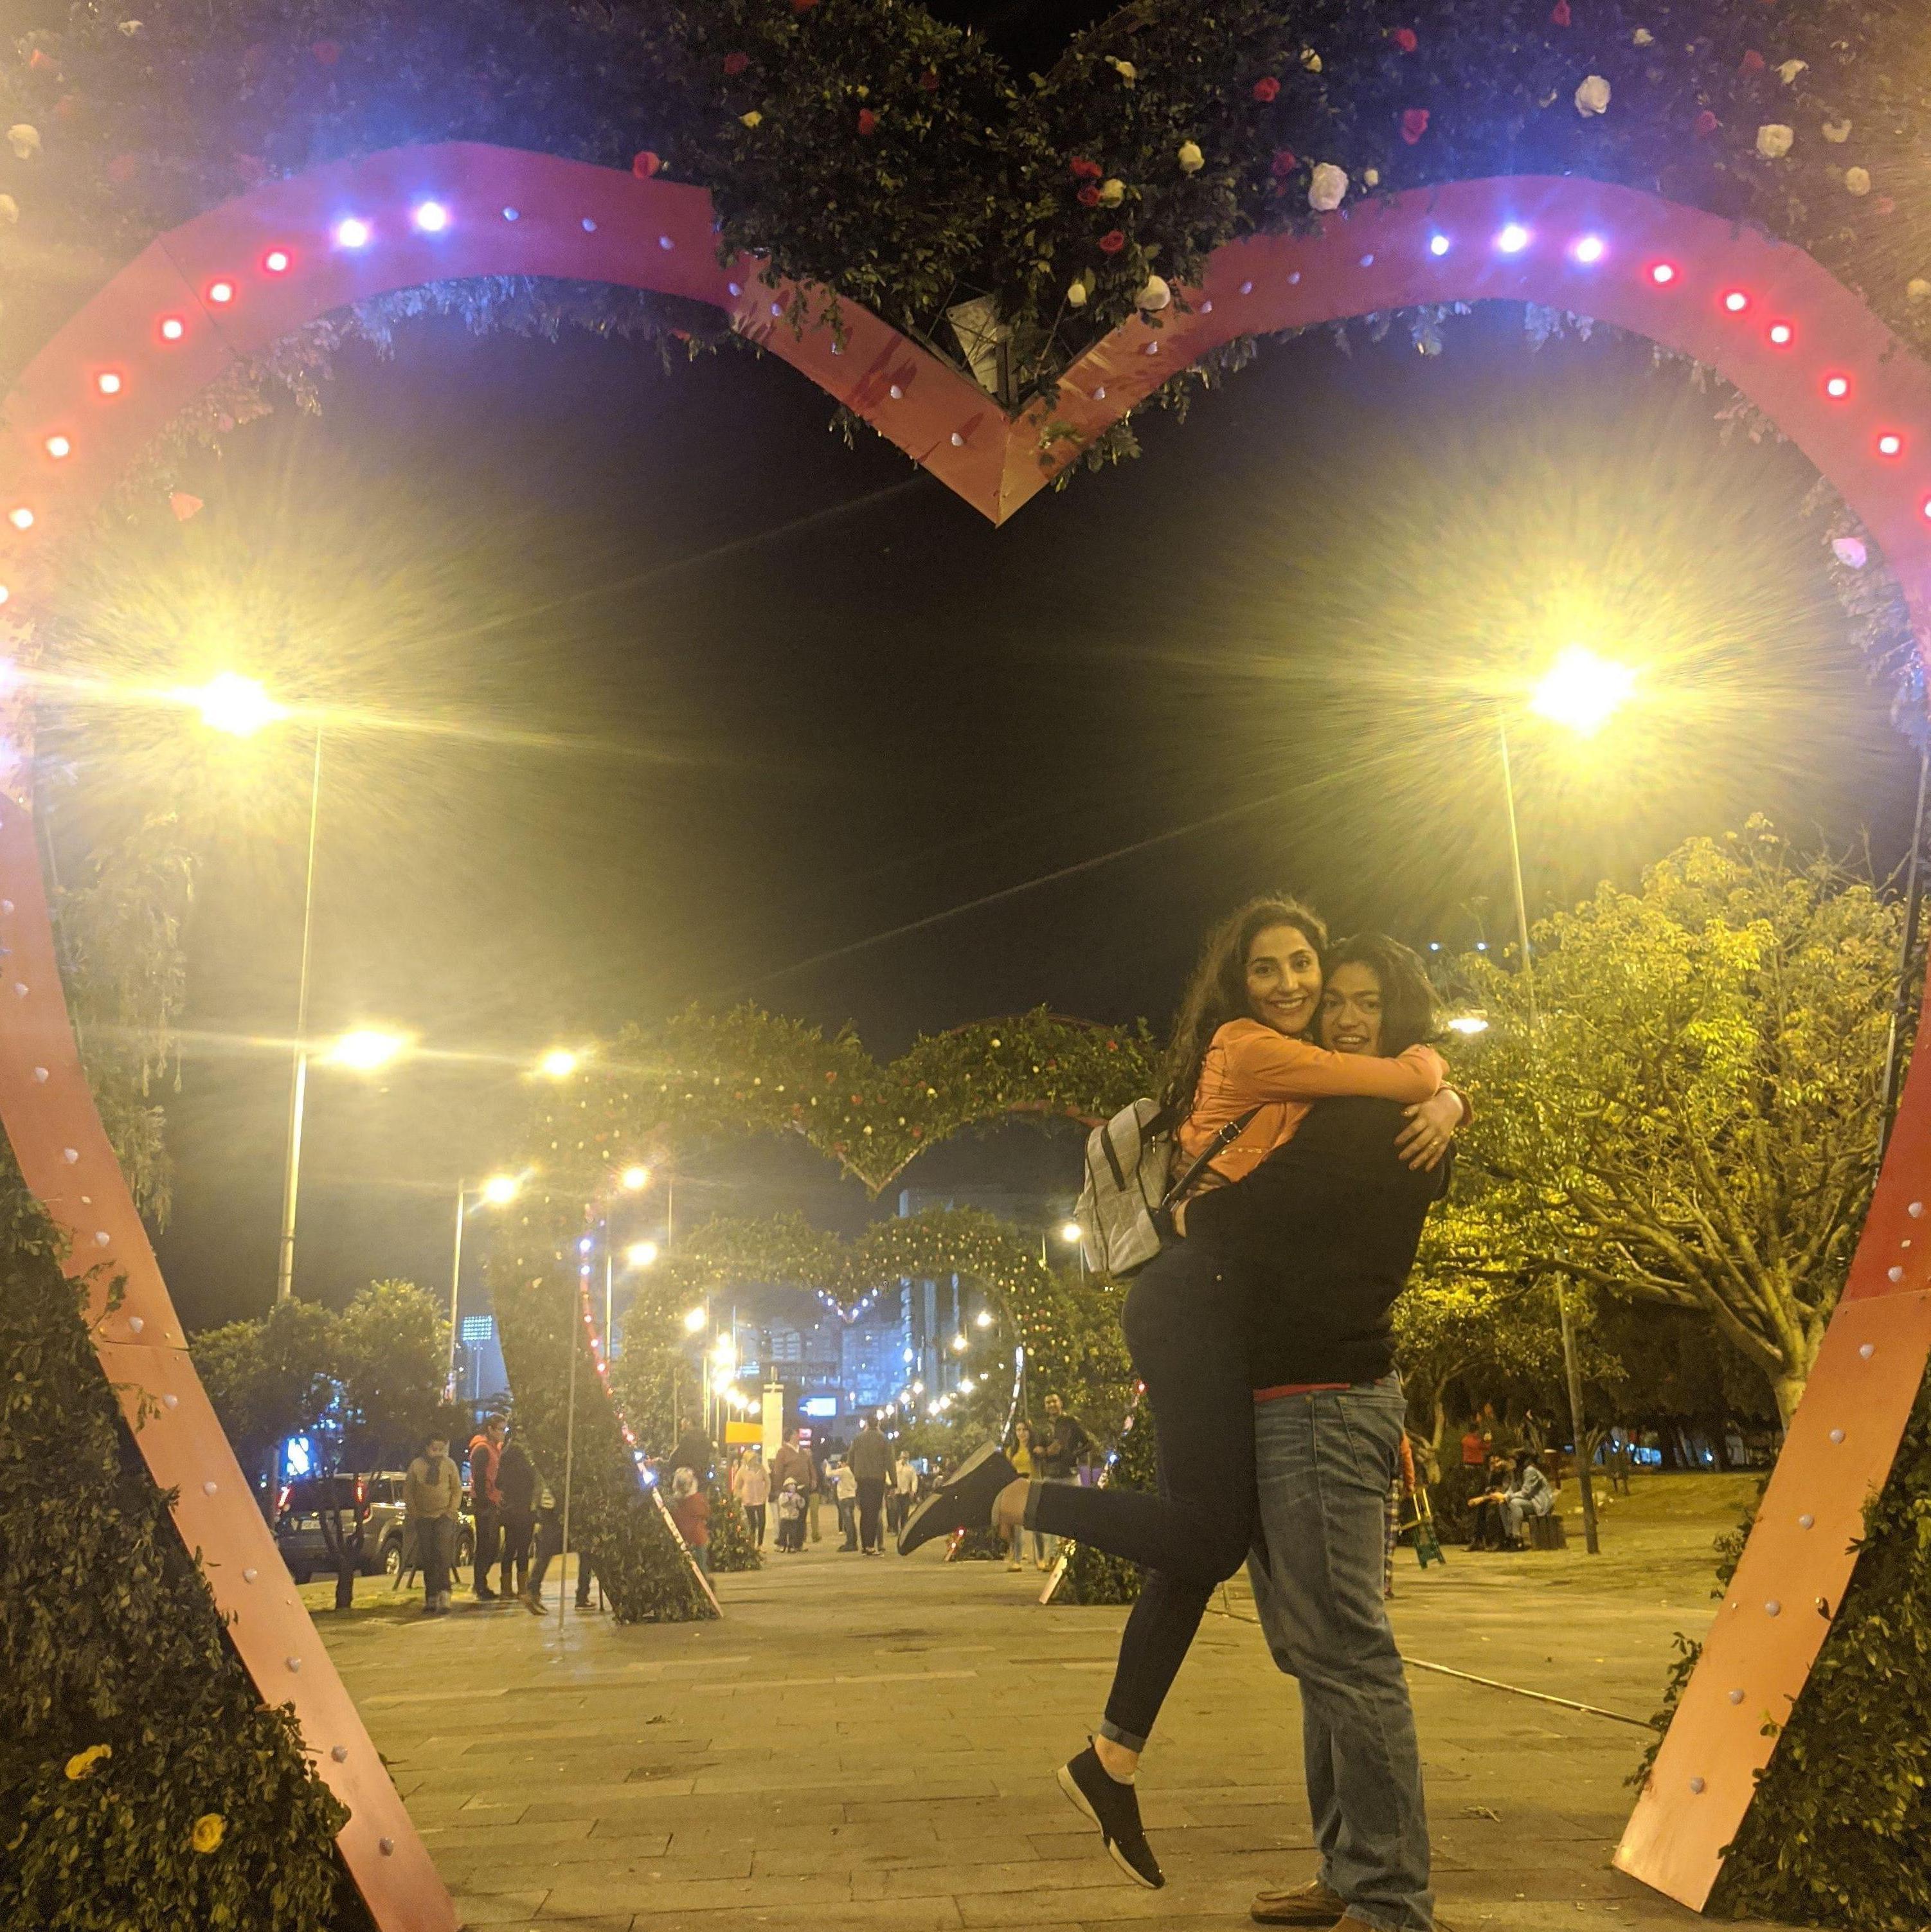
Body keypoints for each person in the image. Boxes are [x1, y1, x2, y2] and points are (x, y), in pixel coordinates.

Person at [902, 908, 1464, 1906]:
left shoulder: (1366, 1117)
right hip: (1226, 1333)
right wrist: (1435, 1075)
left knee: (1291, 1616)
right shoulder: (1279, 1065)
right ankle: (1350, 1874)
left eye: (1351, 995)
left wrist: (1444, 1089)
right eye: (1301, 982)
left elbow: (1260, 1203)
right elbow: (1244, 1206)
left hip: (1317, 1386)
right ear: (1242, 984)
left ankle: (1360, 1887)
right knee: (1290, 1618)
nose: (1322, 1004)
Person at [405, 1432, 462, 1616]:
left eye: (442, 1449)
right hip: (424, 1517)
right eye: (434, 1449)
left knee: (443, 1555)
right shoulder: (417, 1466)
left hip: (444, 1516)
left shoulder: (449, 1465)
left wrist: (451, 1512)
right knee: (427, 1557)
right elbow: (409, 1491)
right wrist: (415, 1513)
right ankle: (431, 1596)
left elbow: (456, 1490)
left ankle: (445, 1594)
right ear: (427, 1448)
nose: (438, 1453)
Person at [495, 1424, 537, 1600]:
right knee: (523, 1548)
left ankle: (506, 1589)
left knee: (510, 1548)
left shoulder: (504, 1456)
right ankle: (523, 1589)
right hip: (525, 1509)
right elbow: (532, 1481)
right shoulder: (527, 1459)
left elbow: (498, 1483)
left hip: (509, 1510)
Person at [466, 1415, 506, 1602]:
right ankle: (479, 1585)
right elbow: (480, 1478)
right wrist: (484, 1502)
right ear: (490, 1429)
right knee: (486, 1545)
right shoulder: (482, 1450)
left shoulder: (494, 1449)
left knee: (493, 1546)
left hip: (493, 1502)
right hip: (485, 1503)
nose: (503, 1433)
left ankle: (480, 1583)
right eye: (500, 1429)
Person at [848, 1416, 894, 1556]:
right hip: (877, 1479)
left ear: (867, 1424)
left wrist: (857, 1473)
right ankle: (870, 1545)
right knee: (874, 1513)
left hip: (862, 1480)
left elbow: (850, 1460)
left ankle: (865, 1546)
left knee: (865, 1512)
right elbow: (890, 1462)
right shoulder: (884, 1439)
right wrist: (894, 1482)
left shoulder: (858, 1439)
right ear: (878, 1424)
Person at [1004, 1420, 1045, 1571]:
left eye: (1025, 1430)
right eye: (1019, 1430)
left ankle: (1040, 1559)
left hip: (1034, 1487)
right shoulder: (1011, 1451)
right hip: (1018, 1488)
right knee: (1017, 1526)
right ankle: (1017, 1560)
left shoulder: (1036, 1450)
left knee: (1036, 1525)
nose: (1021, 1433)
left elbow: (1041, 1469)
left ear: (1030, 1432)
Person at [669, 1468, 712, 1574]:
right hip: (698, 1538)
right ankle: (703, 1587)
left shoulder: (674, 1502)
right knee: (701, 1567)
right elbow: (706, 1513)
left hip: (681, 1538)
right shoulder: (698, 1499)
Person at [1468, 1452, 1514, 1550]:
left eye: (1498, 1461)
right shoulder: (1492, 1474)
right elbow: (1489, 1490)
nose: (1496, 1465)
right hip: (1496, 1497)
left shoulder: (1508, 1472)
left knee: (1494, 1507)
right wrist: (1482, 1499)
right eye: (1492, 1463)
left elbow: (1503, 1492)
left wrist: (1482, 1499)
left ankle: (1498, 1541)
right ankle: (1478, 1540)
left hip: (1509, 1498)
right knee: (1481, 1507)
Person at [733, 1449, 770, 1548]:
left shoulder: (761, 1468)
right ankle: (752, 1543)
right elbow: (737, 1485)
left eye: (755, 1458)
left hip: (760, 1499)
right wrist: (740, 1495)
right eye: (752, 1459)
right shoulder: (742, 1471)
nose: (754, 1460)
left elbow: (767, 1481)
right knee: (752, 1523)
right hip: (748, 1500)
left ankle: (760, 1544)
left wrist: (766, 1493)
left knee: (762, 1521)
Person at [892, 1451, 920, 1537]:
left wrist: (913, 1491)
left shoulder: (911, 1468)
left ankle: (904, 1529)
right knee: (896, 1511)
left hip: (906, 1492)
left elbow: (914, 1479)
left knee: (905, 1512)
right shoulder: (895, 1466)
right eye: (903, 1457)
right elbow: (891, 1476)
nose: (904, 1459)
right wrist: (891, 1488)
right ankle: (895, 1529)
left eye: (906, 1458)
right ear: (900, 1457)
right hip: (897, 1492)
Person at [833, 1458, 859, 1549]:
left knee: (848, 1522)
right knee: (851, 1520)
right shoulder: (854, 1470)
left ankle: (850, 1543)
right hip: (852, 1497)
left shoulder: (844, 1470)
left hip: (845, 1498)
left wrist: (826, 1464)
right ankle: (853, 1542)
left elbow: (829, 1474)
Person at [775, 1477, 805, 1551]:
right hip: (784, 1517)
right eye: (791, 1485)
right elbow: (782, 1504)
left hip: (793, 1517)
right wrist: (789, 1501)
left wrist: (801, 1501)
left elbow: (801, 1506)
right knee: (783, 1532)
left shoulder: (797, 1496)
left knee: (793, 1533)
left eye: (794, 1485)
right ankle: (782, 1545)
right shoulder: (783, 1495)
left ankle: (791, 1546)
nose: (793, 1486)